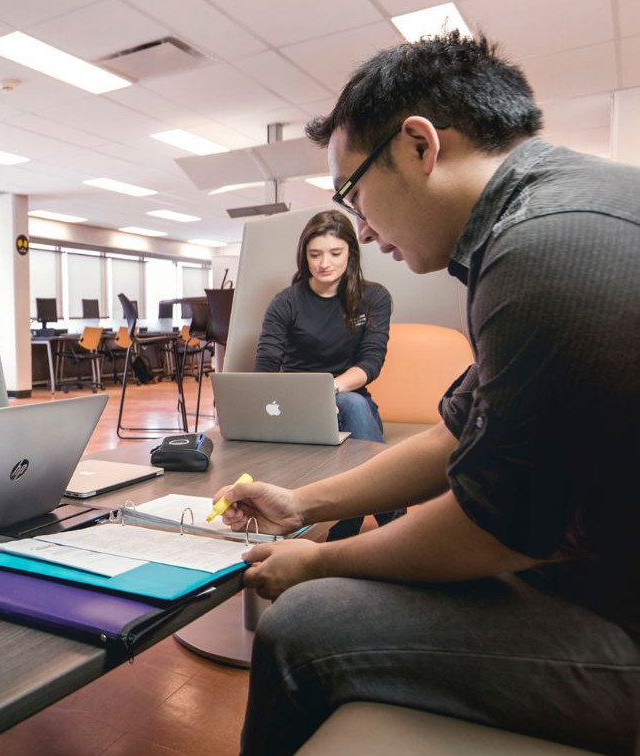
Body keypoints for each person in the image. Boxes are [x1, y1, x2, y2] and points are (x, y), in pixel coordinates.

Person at [214, 32, 639, 756]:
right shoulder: (565, 207)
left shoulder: (544, 249)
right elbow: (459, 436)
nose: (363, 227)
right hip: (600, 567)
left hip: (618, 616)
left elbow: (494, 526)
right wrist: (305, 507)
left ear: (419, 145)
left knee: (303, 626)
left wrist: (319, 560)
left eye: (354, 194)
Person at [254, 209, 393, 539]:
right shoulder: (285, 302)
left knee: (353, 404)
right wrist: (304, 401)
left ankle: (385, 516)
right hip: (293, 405)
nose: (324, 263)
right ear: (304, 255)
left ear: (351, 253)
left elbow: (370, 362)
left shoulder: (374, 298)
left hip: (349, 400)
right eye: (315, 254)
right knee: (349, 405)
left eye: (335, 253)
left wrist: (329, 390)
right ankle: (364, 519)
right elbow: (266, 368)